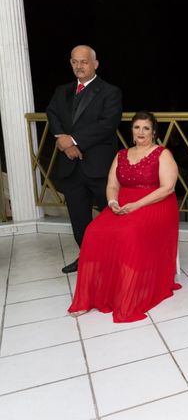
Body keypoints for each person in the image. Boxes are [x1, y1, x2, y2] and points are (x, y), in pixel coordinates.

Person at [68, 111, 181, 322]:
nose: (141, 132)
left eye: (146, 128)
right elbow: (112, 185)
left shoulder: (162, 154)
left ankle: (127, 290)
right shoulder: (121, 155)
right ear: (131, 131)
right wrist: (112, 203)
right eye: (137, 127)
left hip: (155, 203)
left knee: (128, 232)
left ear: (154, 132)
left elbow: (168, 188)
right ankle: (92, 294)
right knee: (94, 231)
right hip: (122, 204)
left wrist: (136, 205)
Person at [46, 45, 123, 274]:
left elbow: (108, 124)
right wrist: (62, 139)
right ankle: (88, 258)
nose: (79, 66)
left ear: (95, 64)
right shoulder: (62, 91)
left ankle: (116, 258)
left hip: (99, 166)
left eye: (84, 62)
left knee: (111, 216)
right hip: (71, 167)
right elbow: (52, 114)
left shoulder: (110, 92)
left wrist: (74, 141)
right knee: (79, 221)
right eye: (75, 62)